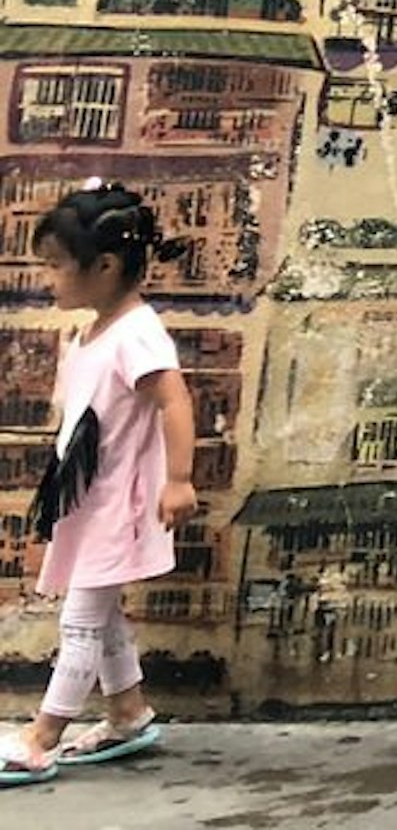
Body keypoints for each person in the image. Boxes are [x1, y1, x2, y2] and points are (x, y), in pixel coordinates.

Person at [7, 182, 197, 778]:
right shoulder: (98, 330)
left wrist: (180, 480)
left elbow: (174, 400)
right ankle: (128, 712)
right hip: (91, 499)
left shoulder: (137, 332)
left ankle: (42, 738)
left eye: (58, 266)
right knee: (103, 611)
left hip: (118, 505)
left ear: (106, 265)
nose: (50, 279)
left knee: (81, 620)